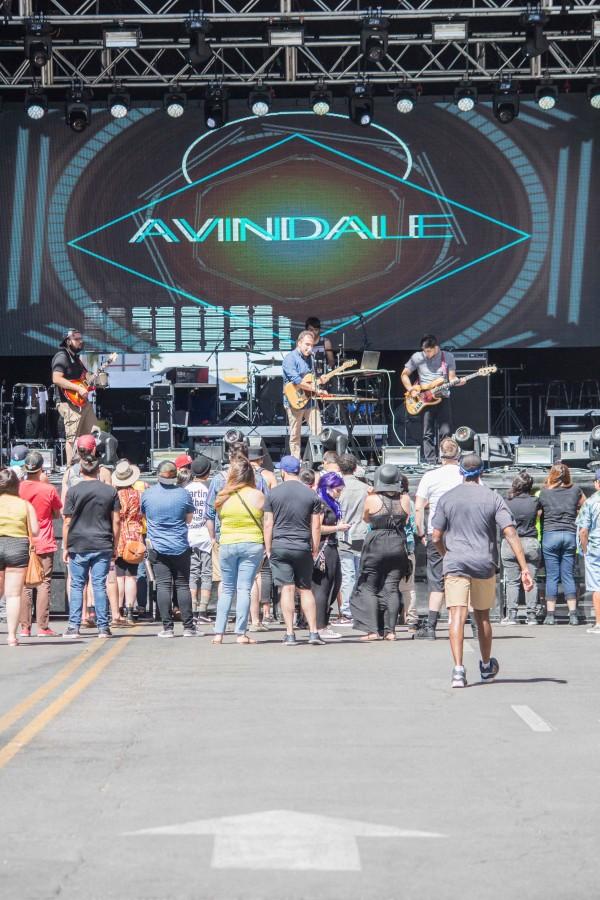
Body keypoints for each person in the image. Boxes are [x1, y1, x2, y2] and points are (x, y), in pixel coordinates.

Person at [431, 453, 533, 688]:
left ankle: (458, 671)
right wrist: (524, 567)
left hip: (455, 562)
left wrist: (447, 553)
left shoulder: (447, 498)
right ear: (481, 473)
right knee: (482, 615)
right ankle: (486, 666)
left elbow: (435, 535)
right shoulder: (493, 498)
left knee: (456, 614)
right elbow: (510, 533)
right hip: (483, 563)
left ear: (461, 472)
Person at [263, 455, 325, 646]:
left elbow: (268, 523)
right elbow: (315, 526)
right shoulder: (311, 495)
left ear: (282, 471)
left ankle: (290, 634)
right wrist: (315, 548)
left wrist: (268, 548)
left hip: (280, 545)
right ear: (299, 470)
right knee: (305, 590)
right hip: (302, 546)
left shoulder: (273, 494)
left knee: (287, 589)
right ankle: (313, 632)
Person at [62, 451, 120, 639]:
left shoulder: (73, 491)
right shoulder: (110, 491)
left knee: (77, 585)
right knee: (99, 585)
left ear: (81, 471)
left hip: (78, 543)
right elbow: (116, 521)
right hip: (102, 543)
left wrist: (65, 545)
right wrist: (115, 545)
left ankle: (74, 626)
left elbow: (67, 521)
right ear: (98, 470)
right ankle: (103, 627)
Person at [351, 464, 411, 641]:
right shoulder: (405, 499)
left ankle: (372, 631)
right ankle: (390, 631)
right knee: (392, 587)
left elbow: (366, 518)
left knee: (369, 586)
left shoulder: (372, 499)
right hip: (397, 543)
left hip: (376, 543)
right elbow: (406, 520)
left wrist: (371, 496)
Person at [209, 457, 265, 645]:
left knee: (227, 588)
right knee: (244, 589)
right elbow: (266, 520)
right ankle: (241, 633)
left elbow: (219, 520)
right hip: (252, 543)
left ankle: (218, 633)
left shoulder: (222, 497)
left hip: (228, 544)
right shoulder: (258, 495)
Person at [414, 436, 463, 640]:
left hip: (437, 533)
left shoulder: (430, 476)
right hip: (462, 534)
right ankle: (472, 626)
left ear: (440, 455)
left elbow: (418, 507)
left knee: (436, 580)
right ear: (458, 454)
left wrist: (421, 533)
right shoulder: (465, 475)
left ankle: (431, 627)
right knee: (463, 578)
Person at [142, 460, 196, 638]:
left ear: (158, 475)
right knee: (182, 585)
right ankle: (188, 627)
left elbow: (144, 515)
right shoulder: (183, 494)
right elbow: (189, 519)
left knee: (163, 585)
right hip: (180, 545)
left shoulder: (147, 494)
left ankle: (167, 628)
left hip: (158, 547)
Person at [401, 334, 465, 464]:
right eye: (424, 351)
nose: (426, 354)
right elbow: (404, 374)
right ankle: (430, 462)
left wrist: (459, 381)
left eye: (429, 351)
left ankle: (445, 459)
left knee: (445, 432)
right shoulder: (417, 357)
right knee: (427, 432)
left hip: (443, 396)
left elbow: (452, 378)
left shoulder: (448, 357)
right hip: (424, 398)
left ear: (436, 348)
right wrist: (411, 389)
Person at [18, 451, 62, 637]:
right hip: (44, 540)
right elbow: (58, 513)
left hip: (23, 540)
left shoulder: (17, 488)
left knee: (24, 584)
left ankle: (25, 627)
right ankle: (42, 627)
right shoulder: (49, 489)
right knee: (44, 583)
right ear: (41, 468)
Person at [538, 462, 585, 625]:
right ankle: (573, 615)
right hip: (570, 535)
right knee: (567, 575)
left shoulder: (544, 492)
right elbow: (585, 506)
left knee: (552, 575)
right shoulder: (576, 490)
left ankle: (550, 616)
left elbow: (538, 512)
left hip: (551, 535)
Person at [0, 468, 39, 646]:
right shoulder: (25, 505)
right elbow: (36, 530)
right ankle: (11, 637)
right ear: (17, 485)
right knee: (14, 595)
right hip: (18, 547)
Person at [500, 470, 541, 626]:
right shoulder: (535, 501)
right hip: (530, 542)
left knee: (512, 581)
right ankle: (531, 616)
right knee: (531, 579)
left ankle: (512, 615)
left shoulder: (506, 501)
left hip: (510, 542)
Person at [51, 329, 98, 464]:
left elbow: (85, 378)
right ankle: (71, 470)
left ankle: (89, 466)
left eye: (81, 338)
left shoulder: (77, 359)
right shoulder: (62, 357)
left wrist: (95, 380)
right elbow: (56, 379)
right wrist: (78, 388)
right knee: (72, 439)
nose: (80, 341)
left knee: (93, 434)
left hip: (83, 403)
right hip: (68, 403)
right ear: (68, 341)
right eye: (76, 339)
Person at [312, 471, 348, 641]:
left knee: (334, 583)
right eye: (338, 490)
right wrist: (337, 528)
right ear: (328, 487)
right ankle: (320, 626)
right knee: (323, 587)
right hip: (324, 547)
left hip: (331, 545)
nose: (339, 493)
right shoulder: (320, 503)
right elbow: (317, 528)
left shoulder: (331, 502)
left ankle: (322, 624)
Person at [282, 330, 325, 459]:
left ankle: (318, 459)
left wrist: (320, 381)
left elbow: (310, 379)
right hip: (295, 401)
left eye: (311, 345)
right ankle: (296, 461)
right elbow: (297, 381)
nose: (309, 348)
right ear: (299, 343)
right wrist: (316, 389)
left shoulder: (311, 359)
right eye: (307, 344)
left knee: (318, 430)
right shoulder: (290, 358)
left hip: (310, 400)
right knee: (295, 434)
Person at [336, 453, 369, 626]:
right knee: (359, 572)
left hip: (344, 534)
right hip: (362, 533)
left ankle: (348, 610)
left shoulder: (338, 488)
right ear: (355, 468)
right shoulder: (366, 488)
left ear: (339, 468)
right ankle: (358, 608)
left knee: (348, 573)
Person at [112, 459, 145, 627]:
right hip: (135, 537)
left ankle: (117, 609)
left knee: (119, 576)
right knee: (132, 576)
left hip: (119, 538)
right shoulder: (140, 494)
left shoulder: (114, 495)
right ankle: (130, 611)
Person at [185, 455, 213, 624]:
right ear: (207, 473)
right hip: (206, 536)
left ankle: (193, 610)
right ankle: (203, 610)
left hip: (189, 536)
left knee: (192, 574)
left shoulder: (186, 490)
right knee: (206, 574)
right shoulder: (209, 489)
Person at [577, 469, 600, 635]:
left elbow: (583, 531)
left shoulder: (591, 502)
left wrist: (585, 550)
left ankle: (599, 623)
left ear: (596, 483)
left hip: (596, 548)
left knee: (597, 587)